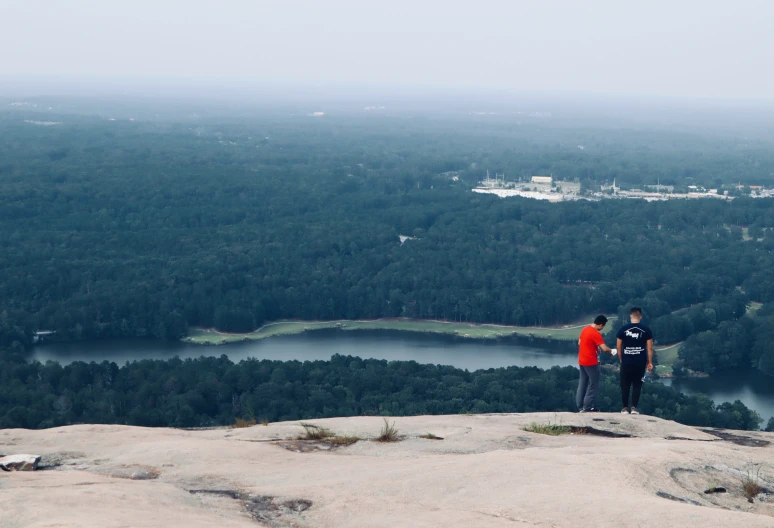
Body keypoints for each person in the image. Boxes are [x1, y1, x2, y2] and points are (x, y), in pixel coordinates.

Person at [616, 307, 653, 415]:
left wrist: (621, 358)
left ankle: (624, 408)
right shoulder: (646, 330)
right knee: (637, 385)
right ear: (640, 317)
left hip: (626, 361)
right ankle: (634, 408)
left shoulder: (623, 329)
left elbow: (618, 347)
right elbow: (649, 348)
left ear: (630, 316)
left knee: (625, 385)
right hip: (640, 362)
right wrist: (649, 362)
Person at [577, 315, 616, 412]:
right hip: (591, 362)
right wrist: (612, 351)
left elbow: (579, 342)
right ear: (600, 325)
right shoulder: (596, 334)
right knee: (594, 384)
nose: (602, 329)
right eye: (603, 326)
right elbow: (604, 348)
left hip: (582, 360)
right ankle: (588, 407)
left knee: (583, 383)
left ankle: (580, 405)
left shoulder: (585, 329)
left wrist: (592, 347)